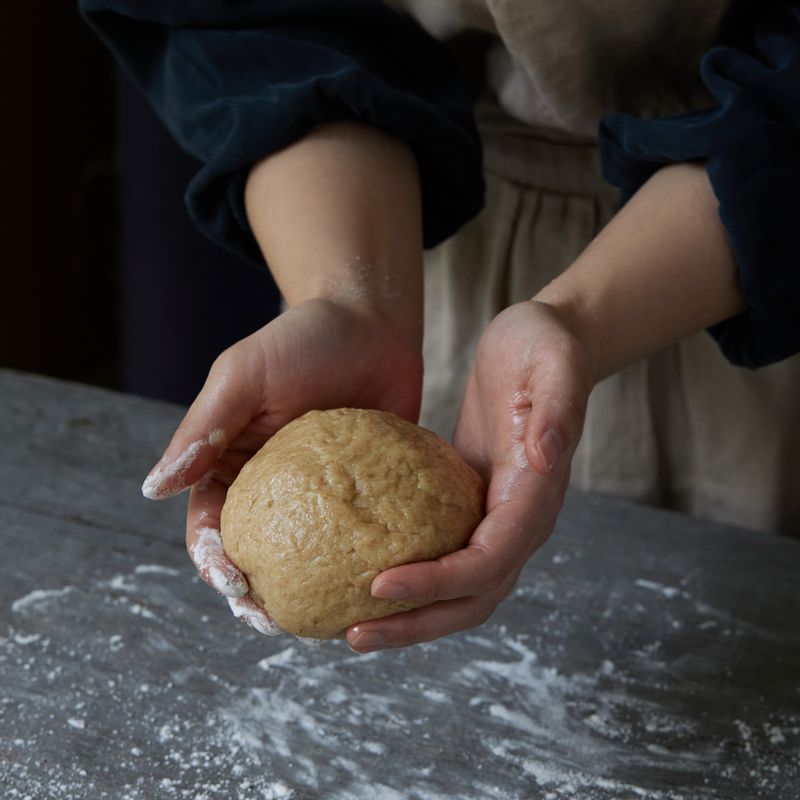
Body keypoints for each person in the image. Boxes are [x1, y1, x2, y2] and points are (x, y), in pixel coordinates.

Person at [81, 1, 800, 653]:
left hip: (739, 261)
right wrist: (348, 300)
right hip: (398, 233)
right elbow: (255, 22)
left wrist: (578, 321)